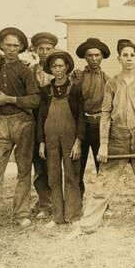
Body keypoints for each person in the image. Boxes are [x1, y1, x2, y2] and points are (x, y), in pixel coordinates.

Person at [66, 39, 135, 239]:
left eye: (132, 55)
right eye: (125, 55)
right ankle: (86, 225)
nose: (128, 58)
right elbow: (106, 114)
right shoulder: (111, 83)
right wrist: (104, 145)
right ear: (119, 59)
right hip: (116, 140)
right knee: (103, 185)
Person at [0, 27, 41, 230]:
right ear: (2, 46)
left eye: (15, 45)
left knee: (24, 171)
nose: (12, 49)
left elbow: (35, 99)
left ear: (21, 47)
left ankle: (21, 214)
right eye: (7, 45)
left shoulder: (25, 70)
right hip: (2, 123)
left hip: (23, 123)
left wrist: (9, 99)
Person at [37, 50, 85, 229]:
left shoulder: (75, 89)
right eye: (54, 66)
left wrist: (78, 141)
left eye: (61, 66)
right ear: (50, 69)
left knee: (72, 175)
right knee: (53, 176)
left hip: (70, 138)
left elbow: (81, 117)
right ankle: (57, 216)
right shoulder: (46, 91)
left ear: (67, 67)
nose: (57, 69)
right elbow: (41, 117)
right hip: (50, 139)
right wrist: (41, 141)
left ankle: (74, 214)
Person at [71, 38, 111, 198]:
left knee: (102, 166)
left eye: (97, 55)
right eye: (90, 55)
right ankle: (76, 201)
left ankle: (103, 203)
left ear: (102, 57)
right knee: (76, 165)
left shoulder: (107, 80)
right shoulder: (77, 77)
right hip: (79, 125)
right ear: (85, 57)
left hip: (99, 126)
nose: (94, 59)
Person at [28, 32, 58, 219]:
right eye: (41, 49)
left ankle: (58, 201)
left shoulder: (62, 68)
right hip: (35, 119)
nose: (45, 52)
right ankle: (45, 204)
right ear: (36, 50)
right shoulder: (30, 70)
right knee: (40, 164)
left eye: (48, 49)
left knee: (57, 164)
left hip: (57, 120)